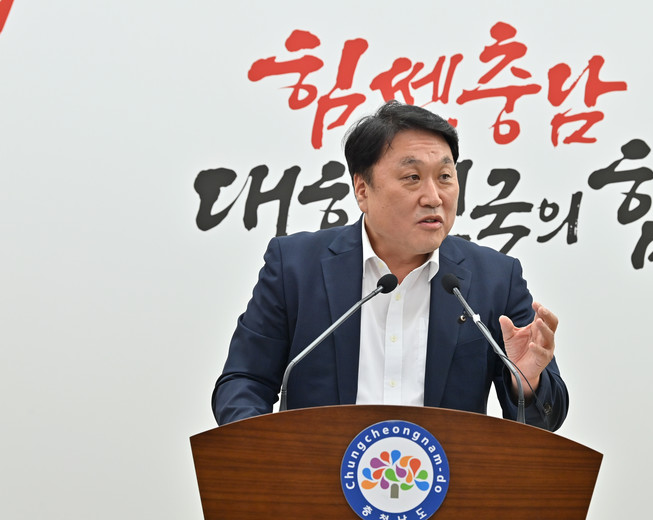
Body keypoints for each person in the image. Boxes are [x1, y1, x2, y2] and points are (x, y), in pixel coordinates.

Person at [212, 101, 568, 430]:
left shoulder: (496, 278)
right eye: (412, 178)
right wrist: (264, 451)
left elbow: (544, 420)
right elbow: (244, 381)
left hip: (447, 478)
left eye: (445, 177)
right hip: (315, 475)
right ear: (362, 190)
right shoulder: (295, 266)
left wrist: (527, 382)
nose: (433, 197)